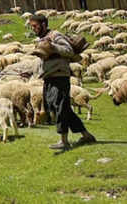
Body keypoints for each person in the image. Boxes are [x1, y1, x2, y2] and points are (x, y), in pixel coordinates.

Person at [29, 14, 96, 150]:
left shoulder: (55, 35)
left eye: (35, 26)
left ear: (43, 24)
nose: (33, 29)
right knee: (57, 106)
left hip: (59, 75)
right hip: (49, 76)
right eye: (32, 27)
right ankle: (86, 135)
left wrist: (53, 47)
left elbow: (69, 50)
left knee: (60, 106)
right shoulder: (41, 39)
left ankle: (64, 140)